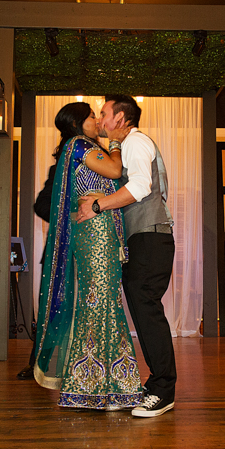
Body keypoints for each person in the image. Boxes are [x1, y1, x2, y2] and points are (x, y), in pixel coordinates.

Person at [33, 102, 142, 411]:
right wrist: (117, 144)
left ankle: (102, 384)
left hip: (99, 229)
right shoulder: (81, 145)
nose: (97, 120)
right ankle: (96, 383)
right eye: (93, 116)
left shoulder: (77, 148)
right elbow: (115, 170)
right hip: (96, 230)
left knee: (101, 300)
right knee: (100, 301)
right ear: (79, 122)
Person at [76, 95, 177, 418]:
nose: (101, 120)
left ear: (120, 118)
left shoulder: (135, 142)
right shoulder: (128, 145)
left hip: (152, 237)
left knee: (147, 310)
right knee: (144, 309)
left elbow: (140, 187)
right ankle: (157, 383)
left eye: (104, 113)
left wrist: (97, 206)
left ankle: (164, 389)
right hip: (145, 238)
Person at [16, 162, 56, 381]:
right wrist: (71, 215)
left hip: (92, 248)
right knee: (49, 309)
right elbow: (41, 205)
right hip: (60, 248)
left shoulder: (105, 163)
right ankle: (37, 364)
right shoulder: (59, 167)